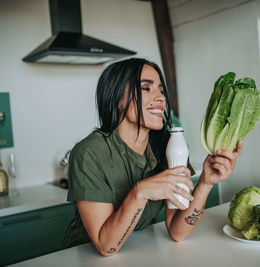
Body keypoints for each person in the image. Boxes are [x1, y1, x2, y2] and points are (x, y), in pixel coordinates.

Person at [62, 57, 242, 256]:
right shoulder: (90, 153)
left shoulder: (168, 145)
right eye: (146, 88)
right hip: (83, 257)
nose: (161, 98)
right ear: (116, 97)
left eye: (161, 90)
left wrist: (206, 182)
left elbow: (177, 232)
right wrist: (140, 192)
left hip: (136, 250)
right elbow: (106, 247)